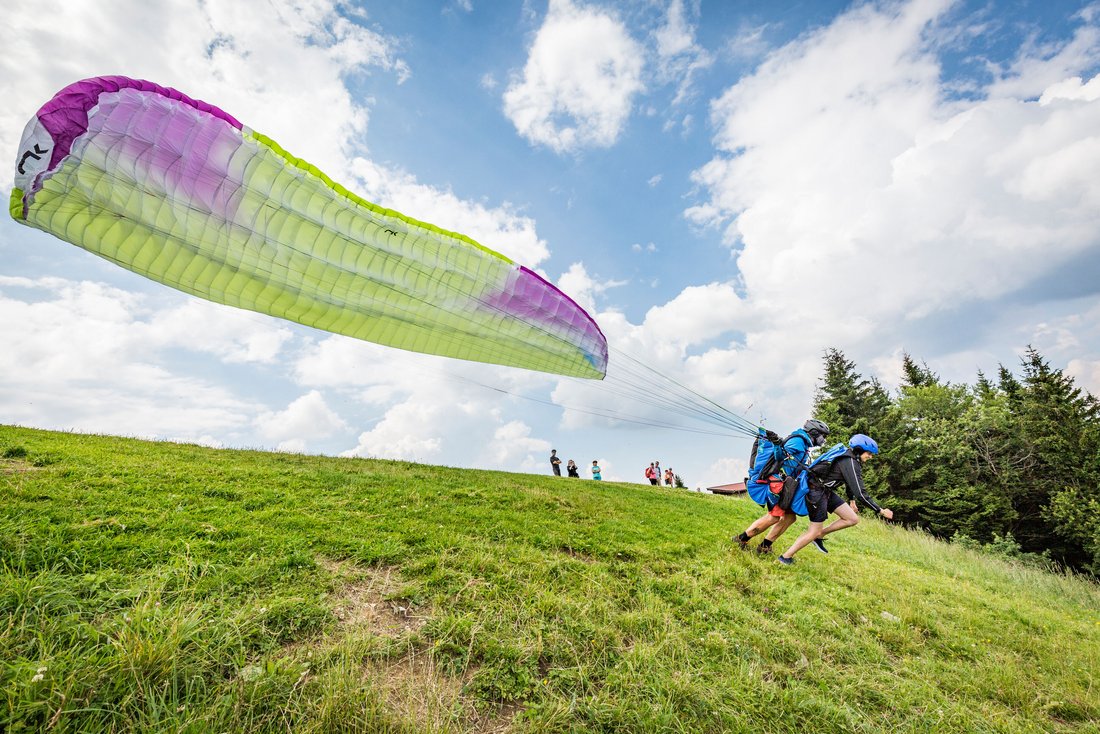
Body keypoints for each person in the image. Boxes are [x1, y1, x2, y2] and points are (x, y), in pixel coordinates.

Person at [777, 434, 894, 566]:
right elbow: (861, 493)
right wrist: (880, 511)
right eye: (869, 453)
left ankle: (819, 535)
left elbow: (850, 483)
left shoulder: (851, 460)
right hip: (815, 492)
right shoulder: (849, 461)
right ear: (859, 450)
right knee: (813, 530)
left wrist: (852, 501)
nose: (870, 457)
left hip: (825, 491)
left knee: (852, 519)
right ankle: (785, 557)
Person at [736, 419, 829, 554]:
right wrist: (777, 444)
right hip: (776, 483)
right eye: (822, 436)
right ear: (814, 432)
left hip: (786, 484)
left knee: (790, 517)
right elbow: (779, 456)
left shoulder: (803, 443)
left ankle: (764, 546)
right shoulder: (798, 441)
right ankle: (741, 539)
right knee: (774, 516)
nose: (823, 440)